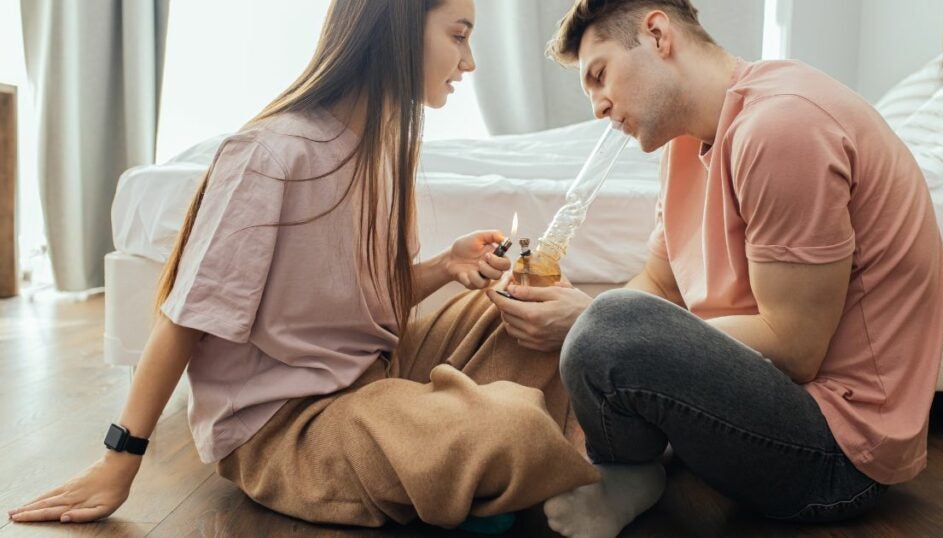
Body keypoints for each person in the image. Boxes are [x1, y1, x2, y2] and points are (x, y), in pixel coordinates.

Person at [7, 0, 599, 529]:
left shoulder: (386, 147)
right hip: (290, 425)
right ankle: (516, 455)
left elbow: (365, 303)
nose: (468, 63)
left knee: (533, 314)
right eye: (459, 35)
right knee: (508, 431)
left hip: (373, 373)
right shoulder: (271, 154)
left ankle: (482, 465)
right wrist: (120, 460)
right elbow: (187, 317)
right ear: (396, 28)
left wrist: (447, 265)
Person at [487, 1, 943, 536]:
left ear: (657, 34)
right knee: (606, 323)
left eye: (600, 74)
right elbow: (659, 286)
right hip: (768, 400)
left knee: (608, 323)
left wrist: (593, 323)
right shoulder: (685, 142)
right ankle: (626, 465)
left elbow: (795, 346)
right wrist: (584, 322)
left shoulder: (783, 126)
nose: (597, 106)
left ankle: (627, 471)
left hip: (838, 453)